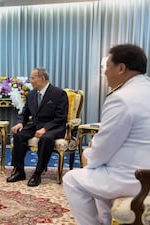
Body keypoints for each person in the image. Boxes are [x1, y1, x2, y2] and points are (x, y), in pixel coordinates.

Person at [63, 44, 150, 225]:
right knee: (95, 164)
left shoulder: (121, 98)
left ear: (121, 68)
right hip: (142, 164)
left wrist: (92, 152)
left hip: (136, 177)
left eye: (107, 67)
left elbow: (102, 150)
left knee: (73, 178)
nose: (105, 73)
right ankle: (105, 219)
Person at [6, 68, 68, 187]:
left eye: (33, 78)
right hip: (36, 125)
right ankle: (19, 171)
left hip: (55, 127)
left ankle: (38, 173)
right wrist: (20, 123)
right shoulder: (31, 94)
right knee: (18, 135)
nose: (31, 81)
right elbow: (24, 113)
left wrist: (45, 129)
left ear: (42, 78)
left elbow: (61, 117)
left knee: (46, 138)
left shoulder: (58, 93)